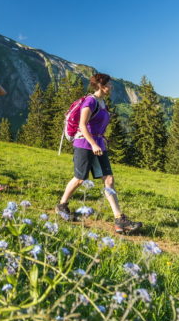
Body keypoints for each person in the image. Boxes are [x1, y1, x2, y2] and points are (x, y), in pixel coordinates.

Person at [55, 73, 142, 234]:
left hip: (99, 144)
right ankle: (62, 205)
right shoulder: (90, 101)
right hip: (84, 144)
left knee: (108, 179)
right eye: (109, 84)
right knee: (79, 179)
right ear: (101, 86)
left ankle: (119, 220)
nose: (112, 87)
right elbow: (82, 125)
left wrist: (100, 139)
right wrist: (94, 143)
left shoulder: (102, 103)